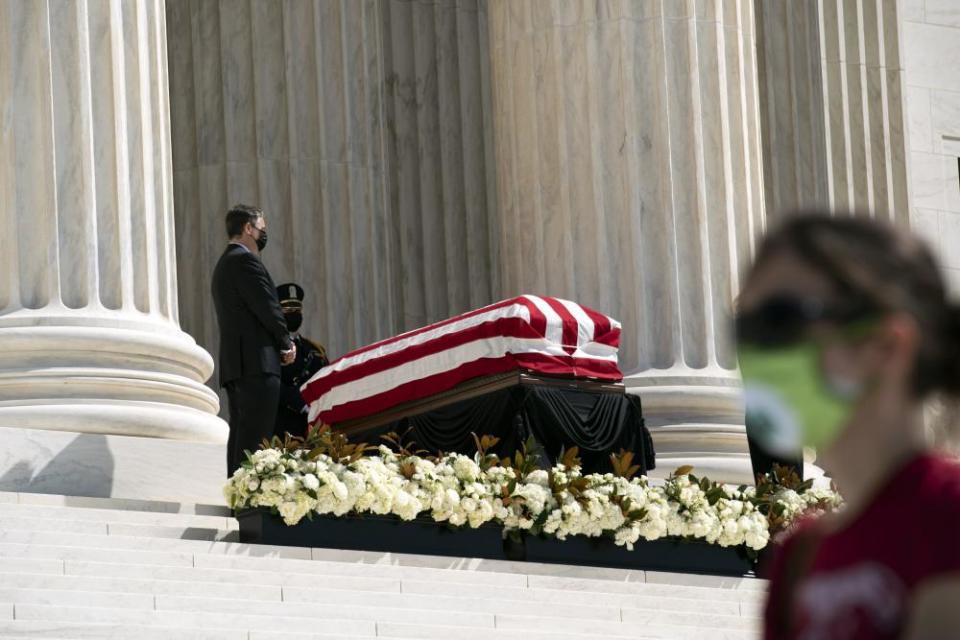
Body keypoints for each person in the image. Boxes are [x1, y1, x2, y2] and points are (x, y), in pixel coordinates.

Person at [734, 213, 960, 639]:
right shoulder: (798, 559)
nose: (761, 355)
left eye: (780, 322)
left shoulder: (949, 517)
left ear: (886, 344)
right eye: (747, 328)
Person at [211, 204, 296, 476]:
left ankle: (238, 497)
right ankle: (248, 504)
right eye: (262, 228)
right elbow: (268, 307)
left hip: (239, 365)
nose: (263, 234)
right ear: (248, 228)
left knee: (241, 438)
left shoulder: (224, 264)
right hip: (257, 363)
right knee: (255, 440)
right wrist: (286, 342)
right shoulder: (244, 261)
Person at [275, 282, 329, 438]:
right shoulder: (270, 350)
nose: (294, 314)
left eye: (297, 310)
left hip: (314, 427)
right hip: (284, 429)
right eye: (288, 311)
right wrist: (300, 402)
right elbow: (272, 383)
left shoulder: (315, 350)